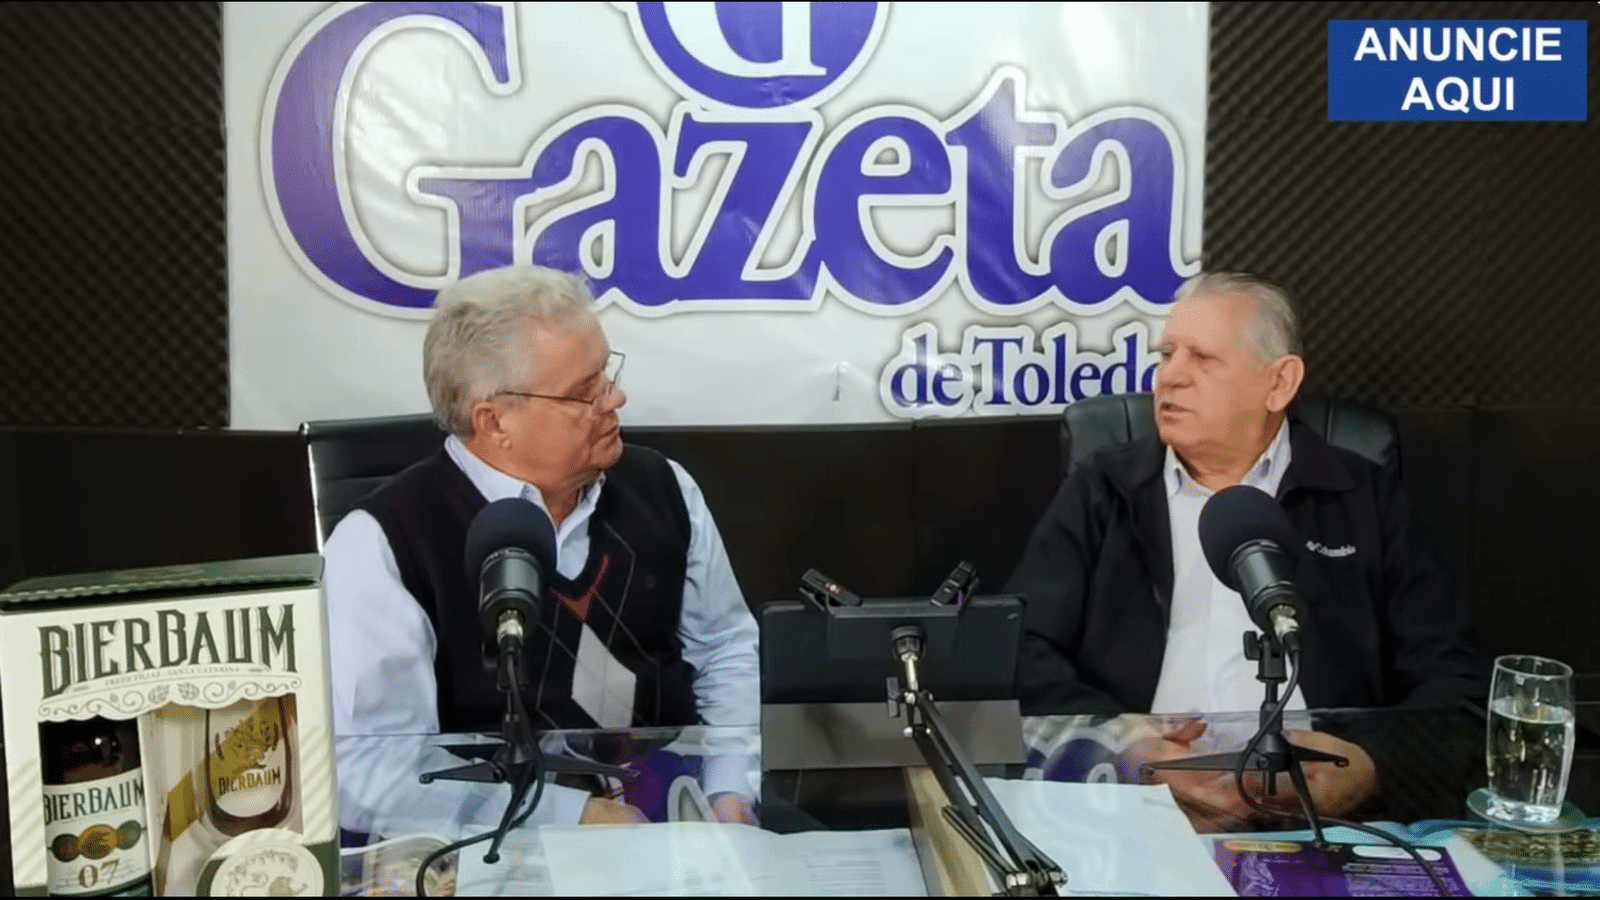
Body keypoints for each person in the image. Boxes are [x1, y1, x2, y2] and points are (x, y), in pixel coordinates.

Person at [1005, 271, 1491, 831]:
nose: (1170, 376)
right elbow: (1020, 651)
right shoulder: (1104, 490)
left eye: (1202, 359)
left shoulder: (1363, 498)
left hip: (1320, 819)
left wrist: (1370, 764)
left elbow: (1457, 687)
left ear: (1279, 383)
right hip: (1138, 811)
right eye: (1167, 354)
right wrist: (1125, 742)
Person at [323, 264, 760, 828]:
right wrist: (569, 817)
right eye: (584, 392)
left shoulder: (664, 487)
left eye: (607, 374)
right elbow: (369, 771)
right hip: (493, 852)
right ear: (494, 422)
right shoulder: (382, 544)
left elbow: (724, 648)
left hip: (679, 822)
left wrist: (729, 788)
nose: (615, 397)